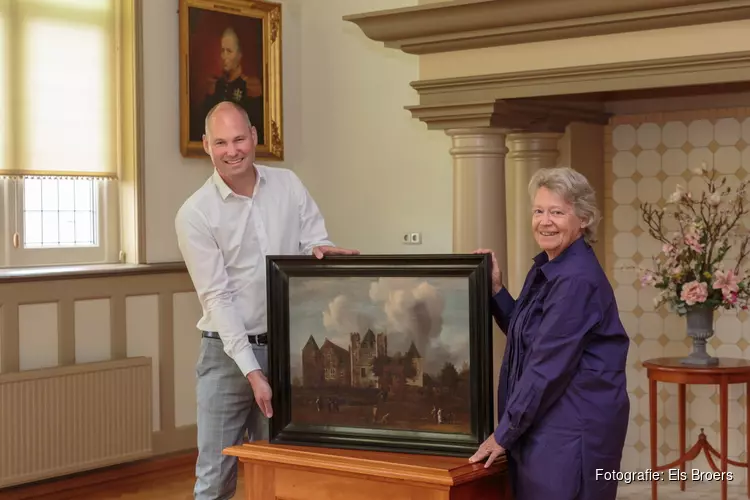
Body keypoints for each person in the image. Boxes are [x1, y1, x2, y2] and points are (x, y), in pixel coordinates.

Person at [175, 100, 359, 500]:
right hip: (225, 355)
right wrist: (252, 372)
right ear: (207, 145)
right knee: (214, 478)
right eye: (221, 142)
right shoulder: (195, 214)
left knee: (278, 473)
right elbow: (217, 298)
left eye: (239, 138)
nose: (232, 150)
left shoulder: (288, 184)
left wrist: (322, 253)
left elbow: (313, 240)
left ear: (255, 136)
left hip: (285, 351)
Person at [469, 167, 630, 500]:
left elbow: (546, 366)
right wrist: (497, 290)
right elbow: (528, 338)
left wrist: (503, 434)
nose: (544, 221)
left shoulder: (575, 280)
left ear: (583, 219)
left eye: (557, 212)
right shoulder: (548, 265)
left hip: (571, 426)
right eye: (538, 211)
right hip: (547, 419)